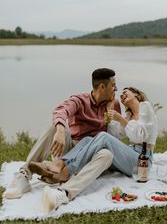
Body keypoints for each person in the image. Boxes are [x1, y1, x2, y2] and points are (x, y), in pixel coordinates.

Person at [29, 87, 158, 213]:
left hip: (142, 160)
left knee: (102, 137)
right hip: (130, 154)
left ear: (136, 94)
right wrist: (109, 111)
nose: (122, 95)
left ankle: (65, 169)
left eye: (125, 92)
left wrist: (120, 119)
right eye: (121, 94)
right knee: (87, 140)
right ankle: (62, 164)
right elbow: (116, 134)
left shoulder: (145, 106)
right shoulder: (129, 114)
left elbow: (142, 134)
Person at [3, 68, 120, 200]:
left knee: (107, 154)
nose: (116, 89)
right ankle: (24, 176)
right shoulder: (80, 100)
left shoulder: (113, 105)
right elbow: (61, 110)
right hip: (70, 151)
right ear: (102, 87)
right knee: (55, 127)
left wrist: (109, 114)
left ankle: (64, 192)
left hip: (91, 156)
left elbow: (114, 140)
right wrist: (60, 130)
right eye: (114, 85)